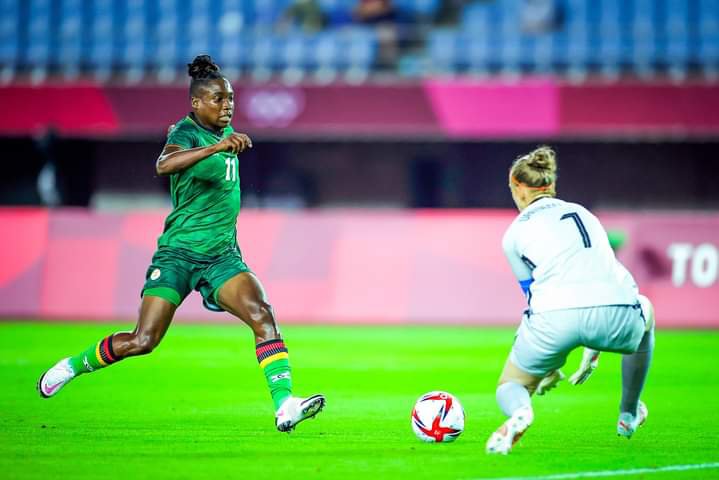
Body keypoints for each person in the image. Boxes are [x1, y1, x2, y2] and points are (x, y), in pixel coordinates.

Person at [37, 55, 325, 433]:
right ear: (196, 103)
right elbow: (163, 164)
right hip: (177, 255)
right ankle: (72, 366)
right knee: (143, 340)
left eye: (230, 99)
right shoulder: (186, 133)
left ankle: (284, 404)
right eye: (218, 99)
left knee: (263, 315)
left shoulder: (222, 129)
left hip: (221, 256)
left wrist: (221, 141)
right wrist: (216, 148)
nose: (227, 106)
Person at [486, 146, 654, 454]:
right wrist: (594, 343)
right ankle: (629, 413)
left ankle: (521, 413)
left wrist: (546, 366)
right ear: (551, 184)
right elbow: (601, 277)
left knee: (511, 385)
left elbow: (533, 297)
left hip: (554, 318)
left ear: (517, 186)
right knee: (647, 309)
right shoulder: (584, 214)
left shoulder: (514, 234)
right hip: (616, 311)